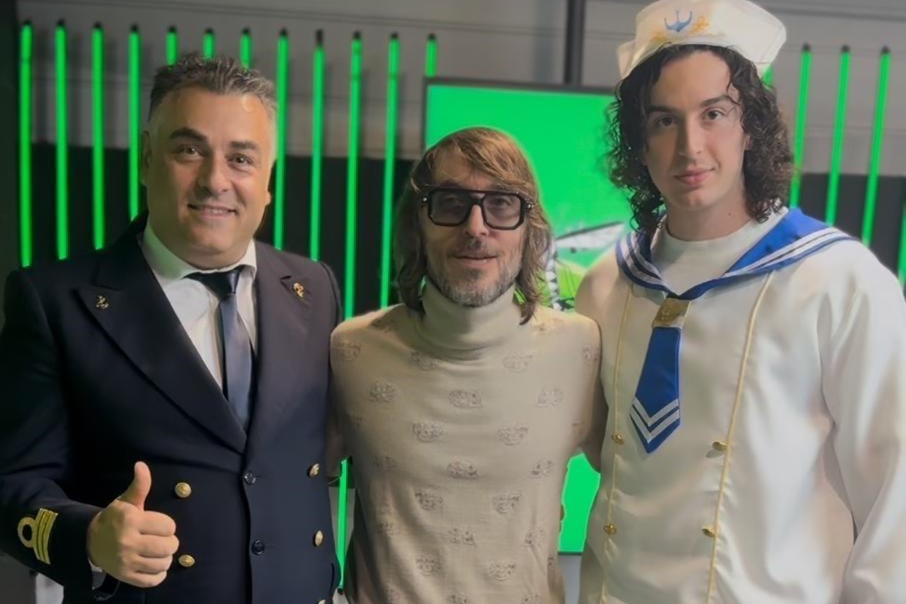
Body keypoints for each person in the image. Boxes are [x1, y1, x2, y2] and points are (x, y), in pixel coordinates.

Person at [576, 0, 906, 602]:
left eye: (714, 113)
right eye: (664, 121)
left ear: (751, 125)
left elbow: (895, 493)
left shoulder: (839, 282)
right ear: (639, 143)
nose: (690, 147)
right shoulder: (606, 285)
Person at [0, 54, 341, 604]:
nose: (215, 180)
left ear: (268, 181)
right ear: (145, 158)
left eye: (241, 159)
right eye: (189, 150)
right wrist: (89, 537)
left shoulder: (314, 288)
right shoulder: (54, 302)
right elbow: (12, 484)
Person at [328, 126, 604, 603]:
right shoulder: (351, 351)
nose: (476, 227)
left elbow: (640, 491)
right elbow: (284, 489)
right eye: (451, 202)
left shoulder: (580, 350)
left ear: (529, 228)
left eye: (501, 204)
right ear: (417, 224)